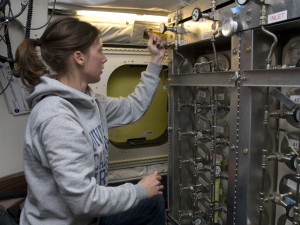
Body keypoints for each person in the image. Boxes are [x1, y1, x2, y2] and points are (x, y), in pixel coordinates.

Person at [14, 17, 166, 225]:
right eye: (100, 51)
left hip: (88, 217)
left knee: (153, 202)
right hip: (68, 218)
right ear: (79, 57)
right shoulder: (57, 119)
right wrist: (139, 190)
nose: (104, 58)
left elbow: (134, 107)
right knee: (148, 197)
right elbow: (84, 200)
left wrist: (156, 61)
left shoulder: (90, 101)